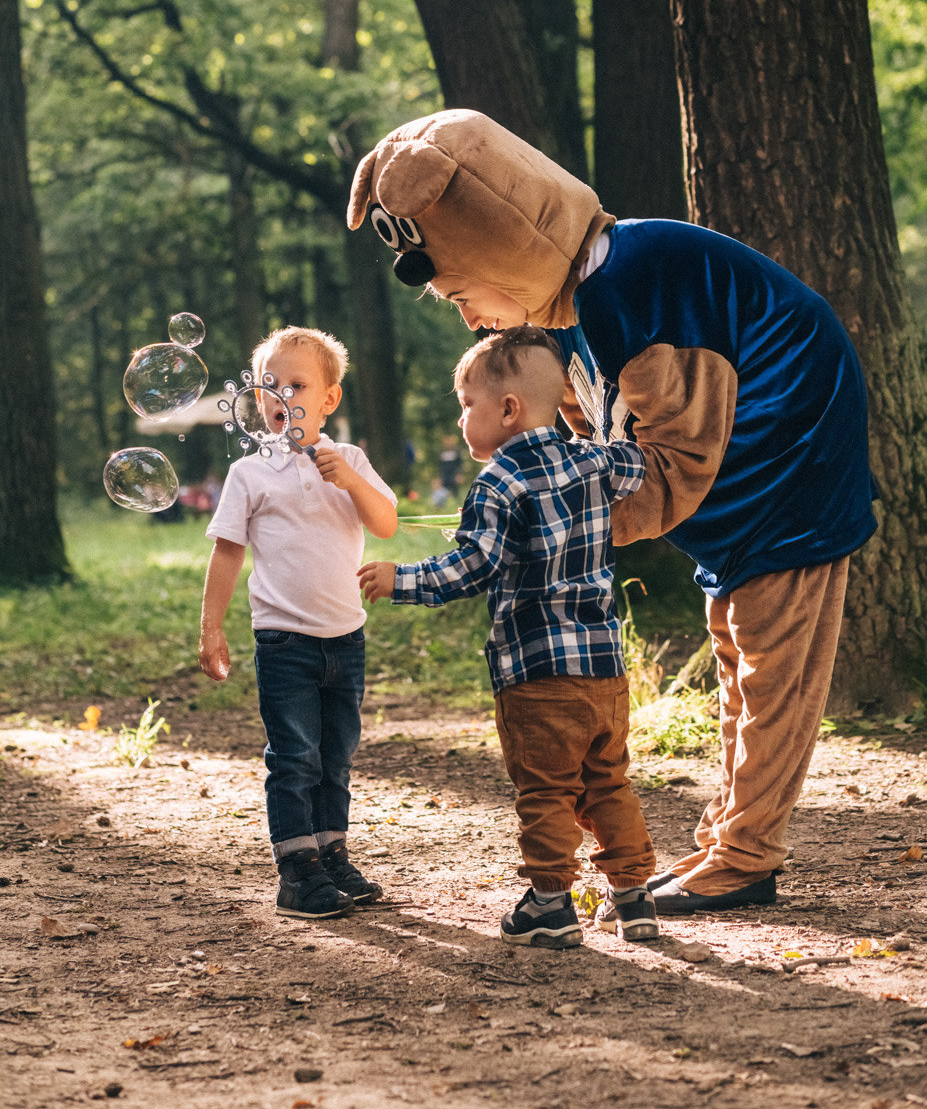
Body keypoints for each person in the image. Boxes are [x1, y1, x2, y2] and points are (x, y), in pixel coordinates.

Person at [347, 108, 877, 916]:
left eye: (461, 291)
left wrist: (553, 525)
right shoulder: (569, 315)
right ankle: (725, 840)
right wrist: (537, 500)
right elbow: (584, 445)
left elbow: (676, 460)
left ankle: (744, 858)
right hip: (736, 504)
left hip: (789, 479)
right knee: (737, 662)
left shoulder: (635, 280)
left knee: (772, 675)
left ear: (502, 245)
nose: (470, 318)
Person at [358, 326, 658, 949]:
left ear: (508, 409)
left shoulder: (498, 482)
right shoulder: (594, 460)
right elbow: (636, 461)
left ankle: (549, 902)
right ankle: (634, 896)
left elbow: (474, 566)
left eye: (467, 404)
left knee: (546, 789)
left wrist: (401, 579)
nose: (461, 417)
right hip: (605, 669)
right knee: (608, 781)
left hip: (537, 673)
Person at [198, 326, 398, 921]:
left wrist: (351, 479)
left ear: (329, 399)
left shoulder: (351, 460)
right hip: (283, 641)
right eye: (270, 386)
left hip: (346, 638)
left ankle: (331, 856)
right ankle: (296, 872)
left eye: (297, 385)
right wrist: (212, 627)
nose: (281, 396)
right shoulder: (249, 474)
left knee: (336, 756)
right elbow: (227, 551)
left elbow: (385, 524)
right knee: (294, 757)